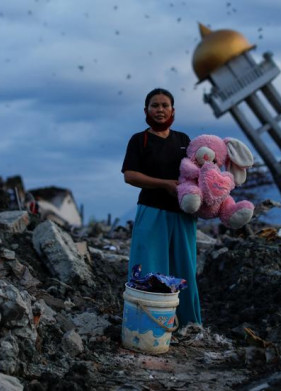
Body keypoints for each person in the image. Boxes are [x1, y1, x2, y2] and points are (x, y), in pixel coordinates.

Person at [121, 87, 202, 327]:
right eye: (154, 105)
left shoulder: (183, 140)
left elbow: (196, 172)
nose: (160, 109)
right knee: (149, 267)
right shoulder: (140, 140)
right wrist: (163, 184)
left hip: (183, 214)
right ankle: (147, 324)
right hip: (152, 210)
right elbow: (130, 175)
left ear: (172, 110)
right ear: (146, 110)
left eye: (164, 105)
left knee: (184, 269)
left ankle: (188, 324)